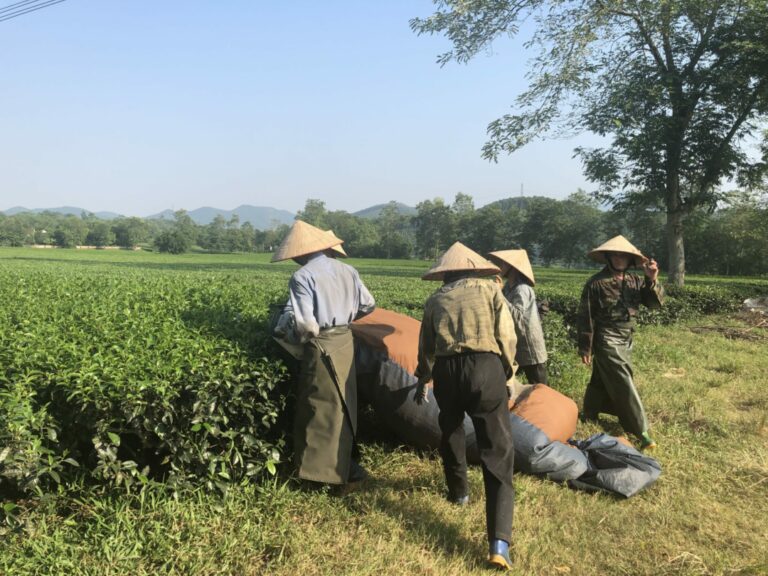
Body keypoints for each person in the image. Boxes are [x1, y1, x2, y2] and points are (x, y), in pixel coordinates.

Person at [414, 241, 517, 571]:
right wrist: (509, 372)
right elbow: (507, 335)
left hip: (447, 371)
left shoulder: (435, 300)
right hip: (485, 368)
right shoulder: (489, 290)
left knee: (451, 428)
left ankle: (459, 492)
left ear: (445, 273)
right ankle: (498, 543)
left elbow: (426, 348)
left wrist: (423, 379)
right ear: (473, 267)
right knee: (497, 448)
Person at [271, 220, 376, 485]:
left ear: (299, 253)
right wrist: (346, 317)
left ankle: (322, 475)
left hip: (321, 347)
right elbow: (368, 305)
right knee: (344, 405)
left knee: (320, 408)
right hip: (346, 341)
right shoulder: (348, 270)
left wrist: (290, 337)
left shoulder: (302, 277)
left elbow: (307, 326)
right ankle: (345, 466)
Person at [577, 235, 663, 450]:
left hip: (627, 337)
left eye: (623, 255)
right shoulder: (596, 283)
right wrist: (585, 346)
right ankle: (640, 430)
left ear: (629, 259)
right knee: (623, 380)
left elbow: (654, 304)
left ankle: (589, 412)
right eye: (615, 255)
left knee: (602, 376)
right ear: (608, 257)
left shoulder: (635, 281)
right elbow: (586, 316)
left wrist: (652, 279)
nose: (619, 259)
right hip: (606, 338)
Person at [488, 249, 549, 384]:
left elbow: (518, 317)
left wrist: (499, 293)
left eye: (504, 264)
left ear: (512, 267)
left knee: (540, 387)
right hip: (516, 345)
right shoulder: (508, 288)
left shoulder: (522, 289)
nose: (500, 267)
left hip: (529, 347)